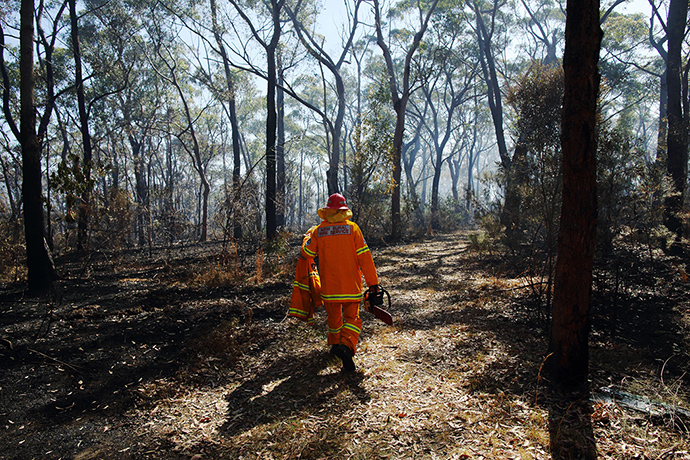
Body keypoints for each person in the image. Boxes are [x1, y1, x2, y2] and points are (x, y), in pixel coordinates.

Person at [301, 193, 380, 372]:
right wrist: (372, 283)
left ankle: (335, 346)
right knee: (352, 319)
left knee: (334, 319)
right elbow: (365, 258)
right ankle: (346, 346)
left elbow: (306, 253)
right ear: (344, 210)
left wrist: (306, 239)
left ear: (328, 211)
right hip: (351, 287)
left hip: (329, 289)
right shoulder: (353, 229)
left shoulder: (318, 231)